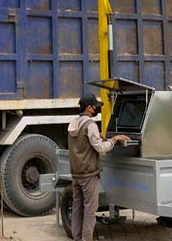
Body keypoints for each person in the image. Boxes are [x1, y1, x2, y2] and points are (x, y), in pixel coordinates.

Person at [67, 93, 130, 241]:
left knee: (77, 208)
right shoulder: (90, 125)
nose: (96, 109)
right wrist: (114, 139)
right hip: (89, 175)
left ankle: (77, 238)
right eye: (95, 106)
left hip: (76, 174)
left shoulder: (73, 123)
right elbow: (101, 148)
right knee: (90, 210)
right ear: (89, 108)